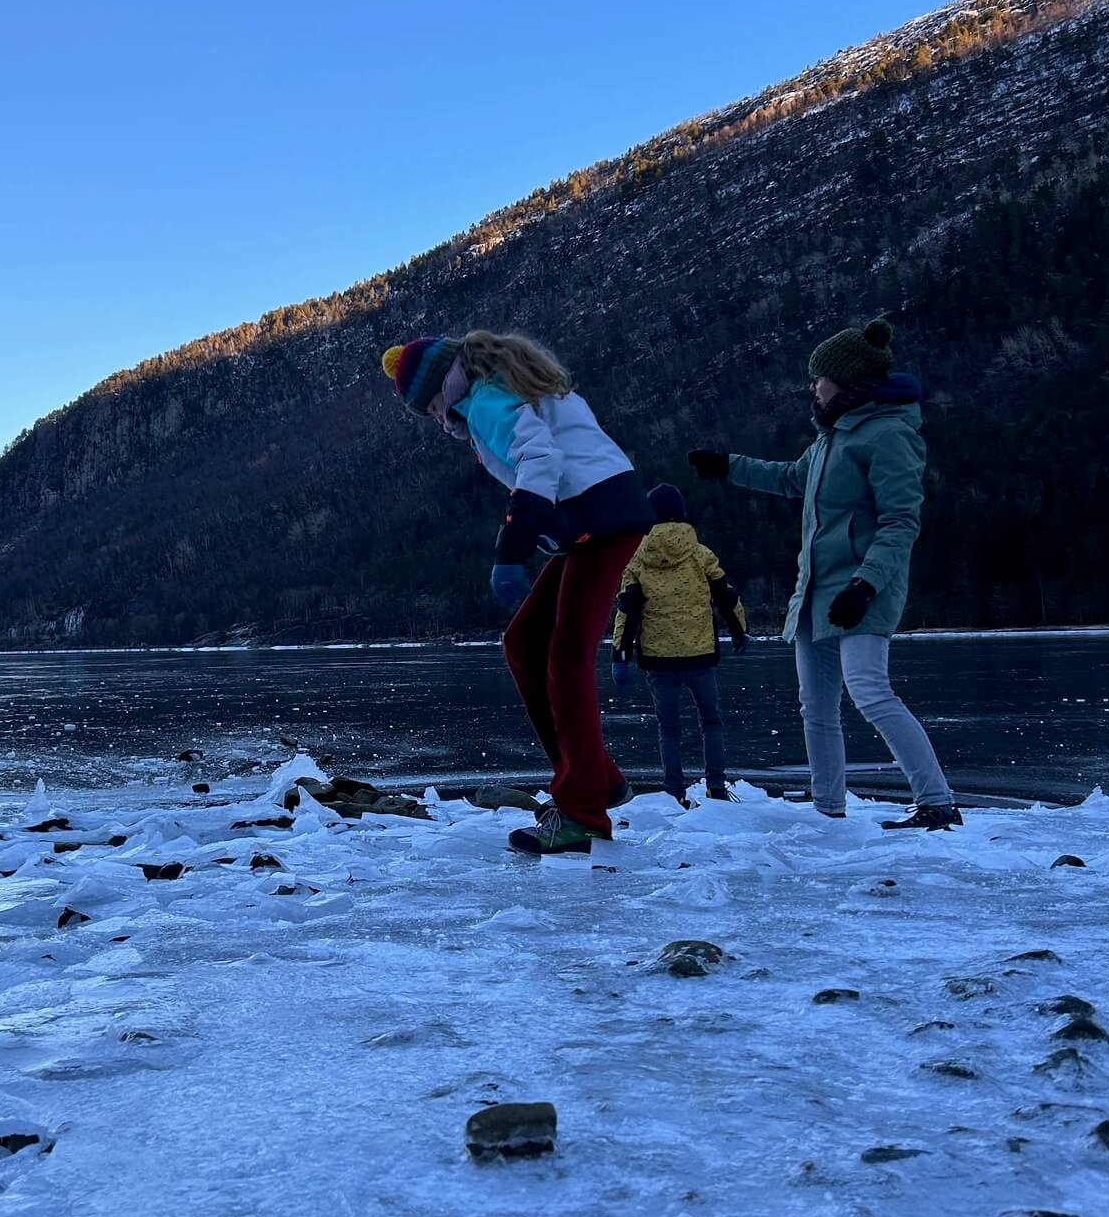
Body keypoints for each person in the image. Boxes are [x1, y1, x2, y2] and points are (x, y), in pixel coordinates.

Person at [382, 331, 652, 854]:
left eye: (433, 406)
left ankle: (582, 813)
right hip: (597, 516)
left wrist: (511, 550)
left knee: (567, 657)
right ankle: (598, 777)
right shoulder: (505, 384)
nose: (439, 420)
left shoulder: (485, 399)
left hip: (601, 518)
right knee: (525, 642)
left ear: (443, 386)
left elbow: (540, 458)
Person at [688, 316, 961, 830]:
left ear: (847, 378)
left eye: (818, 377)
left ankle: (938, 801)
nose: (812, 386)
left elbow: (901, 522)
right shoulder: (830, 439)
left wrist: (865, 585)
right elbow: (791, 479)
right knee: (815, 708)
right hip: (814, 592)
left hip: (862, 590)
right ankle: (827, 810)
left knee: (871, 692)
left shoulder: (887, 433)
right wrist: (729, 466)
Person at [609, 482, 749, 806]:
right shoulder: (700, 554)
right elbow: (726, 596)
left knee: (669, 730)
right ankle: (716, 787)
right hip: (699, 656)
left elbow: (627, 612)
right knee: (711, 722)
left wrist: (620, 654)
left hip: (659, 661)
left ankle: (674, 792)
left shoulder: (637, 560)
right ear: (683, 514)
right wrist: (739, 630)